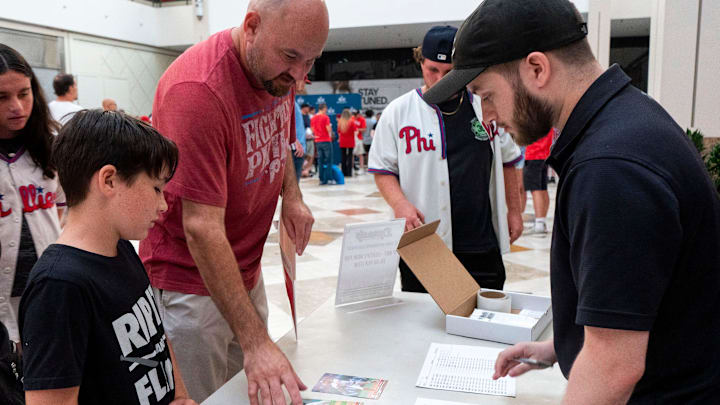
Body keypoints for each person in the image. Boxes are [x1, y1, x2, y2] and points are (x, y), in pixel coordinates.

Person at [425, 0, 720, 402]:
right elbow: (637, 306)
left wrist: (592, 354)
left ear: (536, 69)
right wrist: (561, 348)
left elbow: (614, 363)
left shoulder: (610, 166)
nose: (487, 116)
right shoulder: (627, 120)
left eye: (487, 94)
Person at [138, 0, 327, 403]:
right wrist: (256, 341)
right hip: (188, 286)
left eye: (311, 61)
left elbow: (279, 136)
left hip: (245, 272)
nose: (299, 76)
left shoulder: (276, 74)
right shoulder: (199, 91)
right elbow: (200, 227)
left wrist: (292, 196)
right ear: (252, 26)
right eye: (291, 57)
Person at [19, 109, 196, 405]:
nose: (164, 205)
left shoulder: (122, 247)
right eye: (156, 188)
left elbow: (156, 338)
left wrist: (180, 396)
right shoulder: (59, 286)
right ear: (109, 180)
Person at [369, 26, 523, 292]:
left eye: (450, 72)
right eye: (432, 70)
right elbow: (383, 169)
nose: (440, 79)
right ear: (420, 63)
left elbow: (509, 161)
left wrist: (515, 211)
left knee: (484, 322)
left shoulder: (485, 106)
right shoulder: (398, 112)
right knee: (425, 324)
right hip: (426, 246)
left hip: (481, 243)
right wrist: (400, 204)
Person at [0, 44, 64, 342]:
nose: (17, 107)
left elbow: (65, 210)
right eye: (2, 97)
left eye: (24, 94)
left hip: (47, 290)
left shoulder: (51, 144)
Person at [523, 129, 553, 234]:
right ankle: (541, 221)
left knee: (535, 189)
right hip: (544, 153)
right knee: (542, 188)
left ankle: (539, 222)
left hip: (534, 153)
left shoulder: (535, 116)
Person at [311, 103, 333, 185]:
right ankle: (329, 179)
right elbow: (328, 129)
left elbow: (312, 130)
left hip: (318, 141)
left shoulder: (313, 118)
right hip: (326, 140)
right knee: (328, 160)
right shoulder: (325, 117)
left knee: (320, 161)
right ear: (324, 108)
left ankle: (321, 179)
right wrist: (330, 130)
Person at [337, 108, 358, 177]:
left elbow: (339, 132)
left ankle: (343, 172)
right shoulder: (352, 122)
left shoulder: (340, 122)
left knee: (343, 156)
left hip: (342, 141)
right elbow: (356, 132)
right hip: (350, 141)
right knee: (350, 156)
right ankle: (349, 173)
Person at [292, 97, 306, 183]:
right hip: (294, 149)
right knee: (293, 186)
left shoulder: (294, 102)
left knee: (294, 185)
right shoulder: (288, 102)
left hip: (298, 147)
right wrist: (294, 140)